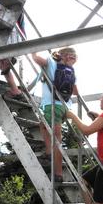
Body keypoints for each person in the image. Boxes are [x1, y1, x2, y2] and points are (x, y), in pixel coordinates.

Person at [32, 47, 78, 182]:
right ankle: (54, 165)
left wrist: (32, 49)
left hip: (51, 105)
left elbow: (36, 59)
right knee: (47, 129)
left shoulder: (52, 63)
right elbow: (75, 93)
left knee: (53, 136)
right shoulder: (72, 71)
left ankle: (52, 161)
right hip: (65, 108)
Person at [0, 0, 26, 100]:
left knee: (4, 63)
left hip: (8, 35)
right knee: (2, 65)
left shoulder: (9, 4)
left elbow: (19, 22)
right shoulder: (3, 5)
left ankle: (16, 89)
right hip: (7, 36)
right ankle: (15, 90)